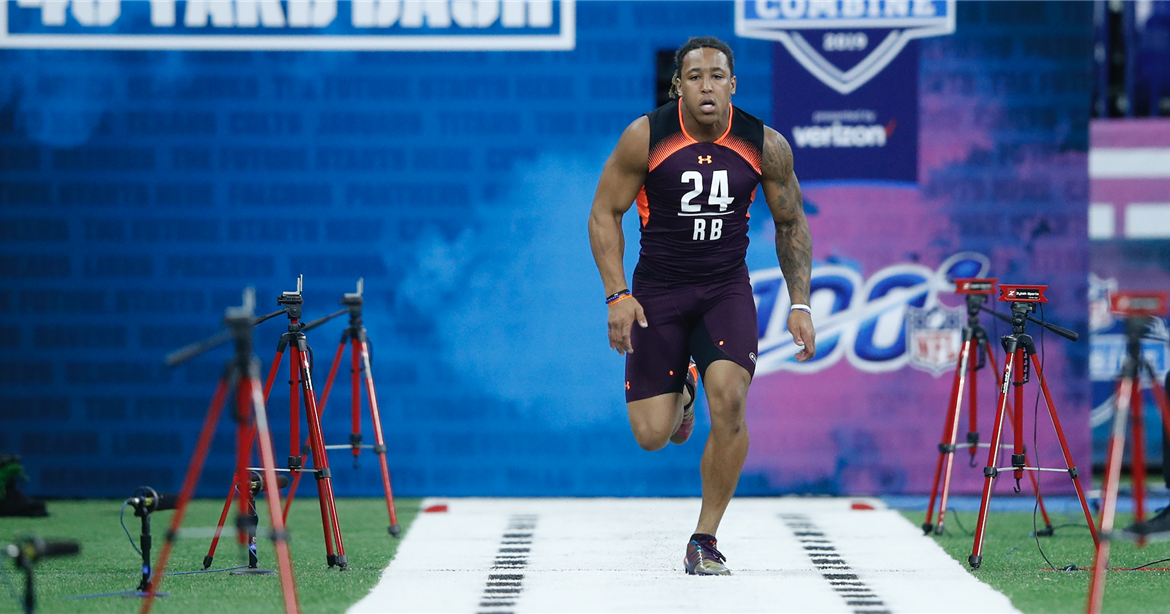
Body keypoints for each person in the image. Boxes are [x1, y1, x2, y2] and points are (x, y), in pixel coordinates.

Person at [587, 36, 816, 575]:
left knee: (731, 399)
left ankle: (704, 538)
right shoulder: (646, 135)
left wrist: (800, 303)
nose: (707, 85)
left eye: (717, 75)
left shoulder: (765, 143)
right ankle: (683, 394)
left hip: (724, 289)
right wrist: (618, 295)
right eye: (695, 76)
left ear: (733, 84)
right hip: (660, 292)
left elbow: (791, 223)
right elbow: (603, 213)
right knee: (651, 436)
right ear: (678, 85)